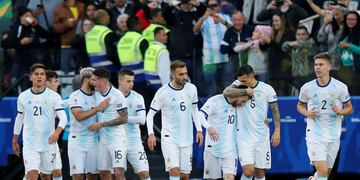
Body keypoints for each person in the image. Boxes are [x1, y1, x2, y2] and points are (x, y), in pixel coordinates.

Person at [297, 52, 353, 180]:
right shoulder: (307, 87)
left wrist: (340, 111)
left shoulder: (340, 87)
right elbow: (299, 105)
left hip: (333, 136)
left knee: (325, 173)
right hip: (315, 135)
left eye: (321, 65)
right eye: (316, 65)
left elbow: (349, 108)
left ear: (329, 67)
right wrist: (307, 113)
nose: (317, 67)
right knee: (322, 171)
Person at [146, 60, 204, 180]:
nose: (184, 77)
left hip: (187, 138)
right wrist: (151, 134)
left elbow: (195, 110)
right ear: (173, 75)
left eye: (185, 73)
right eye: (180, 74)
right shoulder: (163, 92)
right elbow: (150, 114)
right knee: (174, 170)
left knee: (184, 176)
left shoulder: (192, 89)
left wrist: (199, 130)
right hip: (169, 138)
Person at [223, 64, 281, 180]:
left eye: (244, 80)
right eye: (240, 80)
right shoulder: (238, 85)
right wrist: (245, 90)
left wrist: (277, 130)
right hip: (243, 137)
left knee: (259, 172)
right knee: (248, 171)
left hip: (261, 136)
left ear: (252, 76)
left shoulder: (266, 89)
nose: (241, 83)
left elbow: (275, 110)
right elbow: (226, 92)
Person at [12, 63, 67, 180]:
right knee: (32, 174)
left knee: (48, 175)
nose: (39, 76)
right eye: (36, 74)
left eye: (42, 74)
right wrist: (15, 139)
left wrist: (57, 133)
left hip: (48, 143)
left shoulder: (54, 96)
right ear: (31, 77)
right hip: (30, 144)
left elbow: (63, 118)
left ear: (45, 77)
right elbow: (19, 118)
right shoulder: (23, 96)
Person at [68, 67, 110, 180]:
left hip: (94, 141)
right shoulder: (75, 96)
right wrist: (97, 109)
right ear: (86, 80)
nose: (96, 82)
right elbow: (79, 116)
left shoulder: (99, 96)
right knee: (78, 176)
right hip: (77, 141)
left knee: (92, 175)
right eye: (94, 79)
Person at [200, 88, 249, 180]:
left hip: (230, 150)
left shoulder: (239, 107)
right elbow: (200, 115)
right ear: (237, 96)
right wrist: (209, 127)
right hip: (212, 148)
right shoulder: (215, 101)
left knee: (230, 177)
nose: (243, 103)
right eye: (242, 100)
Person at [88, 68, 128, 180]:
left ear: (102, 81)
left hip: (117, 139)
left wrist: (101, 124)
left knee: (118, 172)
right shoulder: (95, 94)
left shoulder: (117, 95)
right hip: (103, 141)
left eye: (94, 80)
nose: (92, 82)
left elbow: (124, 118)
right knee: (104, 173)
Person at [193, 0, 232, 97]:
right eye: (209, 6)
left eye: (214, 5)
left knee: (227, 87)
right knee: (211, 89)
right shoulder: (204, 19)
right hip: (209, 59)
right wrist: (203, 17)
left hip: (225, 57)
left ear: (219, 6)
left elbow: (234, 29)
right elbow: (195, 31)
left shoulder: (226, 17)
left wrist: (222, 21)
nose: (212, 8)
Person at [118, 69, 151, 180]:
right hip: (116, 141)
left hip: (134, 141)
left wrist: (123, 119)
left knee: (144, 174)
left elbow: (142, 119)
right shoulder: (112, 96)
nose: (131, 84)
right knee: (118, 174)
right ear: (120, 81)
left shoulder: (138, 97)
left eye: (132, 81)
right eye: (128, 81)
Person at [85, 9, 120, 85]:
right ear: (103, 18)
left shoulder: (89, 33)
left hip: (95, 70)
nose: (109, 17)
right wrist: (118, 65)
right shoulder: (106, 32)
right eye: (107, 16)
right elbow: (111, 54)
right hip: (109, 70)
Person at [282, 25, 317, 90]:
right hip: (297, 77)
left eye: (303, 34)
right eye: (298, 34)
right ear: (296, 36)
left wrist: (297, 44)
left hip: (309, 77)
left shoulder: (311, 44)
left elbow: (311, 50)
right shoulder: (294, 46)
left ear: (307, 35)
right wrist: (290, 44)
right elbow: (284, 47)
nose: (301, 36)